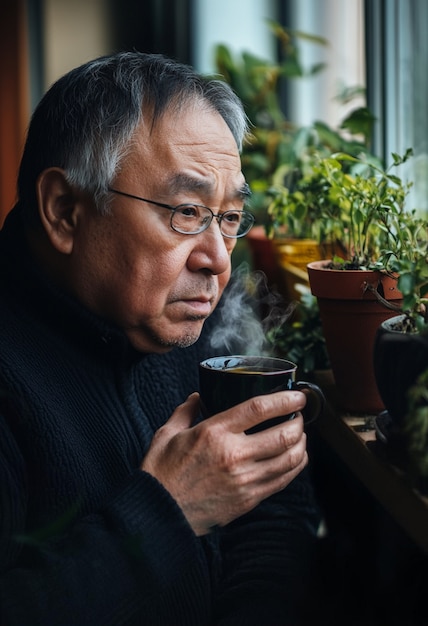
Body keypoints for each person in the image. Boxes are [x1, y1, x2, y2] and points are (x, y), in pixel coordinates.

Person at [0, 51, 320, 625]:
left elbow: (271, 515)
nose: (218, 261)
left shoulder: (199, 321)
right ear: (65, 211)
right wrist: (168, 511)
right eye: (187, 211)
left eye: (228, 217)